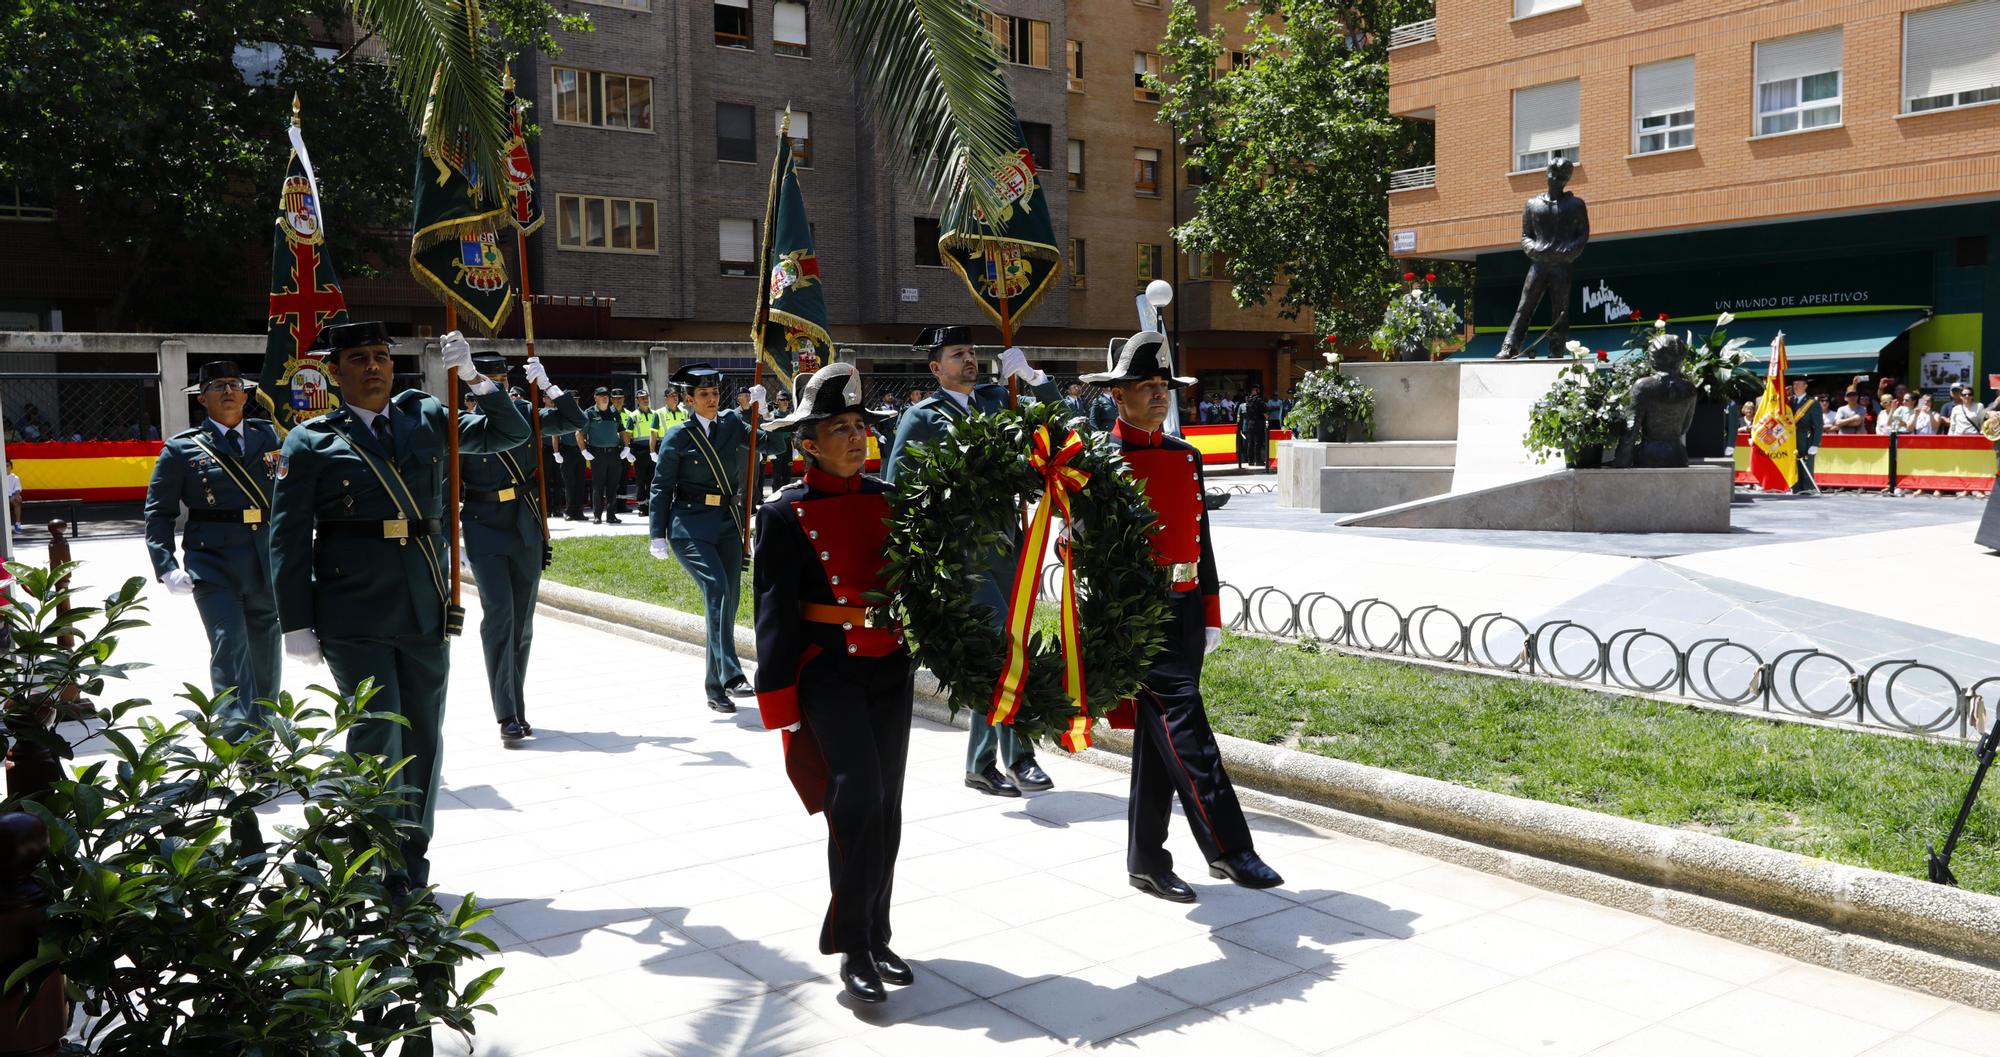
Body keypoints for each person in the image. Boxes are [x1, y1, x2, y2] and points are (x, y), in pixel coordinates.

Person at [271, 323, 528, 892]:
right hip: (351, 609)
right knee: (375, 736)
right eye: (358, 358)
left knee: (423, 741)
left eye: (382, 357)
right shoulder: (311, 442)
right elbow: (287, 538)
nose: (374, 367)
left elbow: (510, 434)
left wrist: (476, 381)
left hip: (424, 603)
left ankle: (410, 863)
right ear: (335, 373)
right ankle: (366, 864)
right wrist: (296, 622)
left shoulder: (429, 419)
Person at [1083, 330, 1282, 902]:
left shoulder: (1186, 456)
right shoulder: (1098, 461)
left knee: (1157, 739)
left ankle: (1146, 860)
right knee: (1185, 728)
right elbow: (1078, 549)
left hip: (1187, 605)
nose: (1158, 396)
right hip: (1134, 615)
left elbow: (1202, 540)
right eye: (1145, 387)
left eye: (1163, 387)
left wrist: (1211, 609)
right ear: (1117, 396)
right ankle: (1229, 848)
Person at [752, 362, 913, 1005]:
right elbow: (773, 612)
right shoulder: (786, 514)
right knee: (856, 796)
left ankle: (877, 930)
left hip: (888, 663)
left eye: (859, 426)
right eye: (838, 428)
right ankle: (852, 944)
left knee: (889, 806)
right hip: (827, 668)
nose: (855, 438)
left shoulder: (890, 498)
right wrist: (780, 701)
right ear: (807, 443)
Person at [884, 325, 1059, 798]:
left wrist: (1036, 378)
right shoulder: (921, 418)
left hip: (1008, 549)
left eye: (973, 352)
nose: (969, 359)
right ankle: (1020, 757)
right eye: (958, 354)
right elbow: (897, 488)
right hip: (962, 555)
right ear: (935, 367)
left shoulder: (998, 402)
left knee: (1001, 651)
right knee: (1004, 651)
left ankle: (980, 763)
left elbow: (1054, 429)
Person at [141, 360, 283, 728]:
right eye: (218, 386)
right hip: (214, 565)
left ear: (246, 392)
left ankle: (264, 736)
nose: (229, 391)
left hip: (265, 561)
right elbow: (159, 514)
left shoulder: (272, 437)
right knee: (229, 647)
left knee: (266, 653)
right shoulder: (182, 450)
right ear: (202, 398)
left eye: (235, 384)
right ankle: (236, 741)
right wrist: (166, 567)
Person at [459, 352, 584, 742]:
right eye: (487, 380)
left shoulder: (526, 413)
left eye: (501, 379)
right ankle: (506, 713)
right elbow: (446, 484)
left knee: (523, 624)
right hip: (482, 526)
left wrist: (549, 386)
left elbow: (576, 422)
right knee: (499, 618)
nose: (498, 386)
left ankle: (517, 704)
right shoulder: (462, 423)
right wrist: (452, 536)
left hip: (525, 525)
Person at [648, 363, 763, 713]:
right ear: (688, 399)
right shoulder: (678, 437)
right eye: (704, 395)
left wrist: (761, 411)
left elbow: (768, 442)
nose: (712, 400)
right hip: (690, 525)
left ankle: (715, 688)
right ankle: (731, 672)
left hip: (727, 523)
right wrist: (657, 534)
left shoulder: (731, 423)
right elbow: (661, 486)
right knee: (716, 589)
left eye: (715, 393)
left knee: (729, 599)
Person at [1496, 156, 1590, 359]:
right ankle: (1509, 346)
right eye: (1552, 175)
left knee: (1560, 310)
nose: (1555, 180)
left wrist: (1566, 252)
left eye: (1560, 177)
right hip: (1538, 264)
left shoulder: (1575, 205)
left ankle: (1556, 350)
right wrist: (1534, 250)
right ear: (1547, 176)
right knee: (1524, 306)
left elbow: (1582, 236)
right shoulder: (1532, 204)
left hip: (1562, 266)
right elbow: (1526, 236)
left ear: (1566, 180)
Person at [580, 386, 631, 524]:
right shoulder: (589, 413)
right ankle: (597, 515)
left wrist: (627, 447)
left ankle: (611, 515)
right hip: (597, 454)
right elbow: (580, 433)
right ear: (595, 397)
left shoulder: (614, 412)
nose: (604, 398)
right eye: (601, 395)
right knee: (598, 486)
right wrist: (584, 450)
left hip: (614, 453)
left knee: (613, 486)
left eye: (606, 396)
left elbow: (622, 430)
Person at [627, 387, 666, 517]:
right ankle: (641, 505)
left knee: (652, 479)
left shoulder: (655, 414)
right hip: (639, 450)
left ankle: (651, 504)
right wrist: (628, 450)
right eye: (642, 398)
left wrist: (654, 451)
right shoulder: (633, 416)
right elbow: (627, 434)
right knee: (640, 480)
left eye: (646, 397)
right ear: (637, 400)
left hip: (652, 450)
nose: (645, 400)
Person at [1790, 379, 1822, 494]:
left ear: (1805, 386)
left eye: (1798, 384)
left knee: (1806, 464)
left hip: (1806, 437)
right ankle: (1796, 488)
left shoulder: (1812, 403)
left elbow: (1818, 425)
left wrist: (1815, 444)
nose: (1795, 386)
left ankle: (1808, 488)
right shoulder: (1790, 401)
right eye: (1794, 384)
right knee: (1794, 464)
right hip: (1792, 438)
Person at [1239, 386, 1269, 470]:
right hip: (1258, 423)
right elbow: (1265, 412)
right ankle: (1258, 460)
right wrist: (1267, 419)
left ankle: (1250, 460)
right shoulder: (1259, 400)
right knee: (1257, 442)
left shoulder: (1248, 400)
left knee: (1250, 442)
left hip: (1249, 423)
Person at [5, 457, 21, 541]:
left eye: (7, 466)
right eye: (3, 466)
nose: (5, 467)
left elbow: (17, 489)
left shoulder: (15, 477)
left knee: (17, 499)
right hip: (1, 498)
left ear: (11, 467)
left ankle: (18, 524)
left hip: (10, 497)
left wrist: (17, 496)